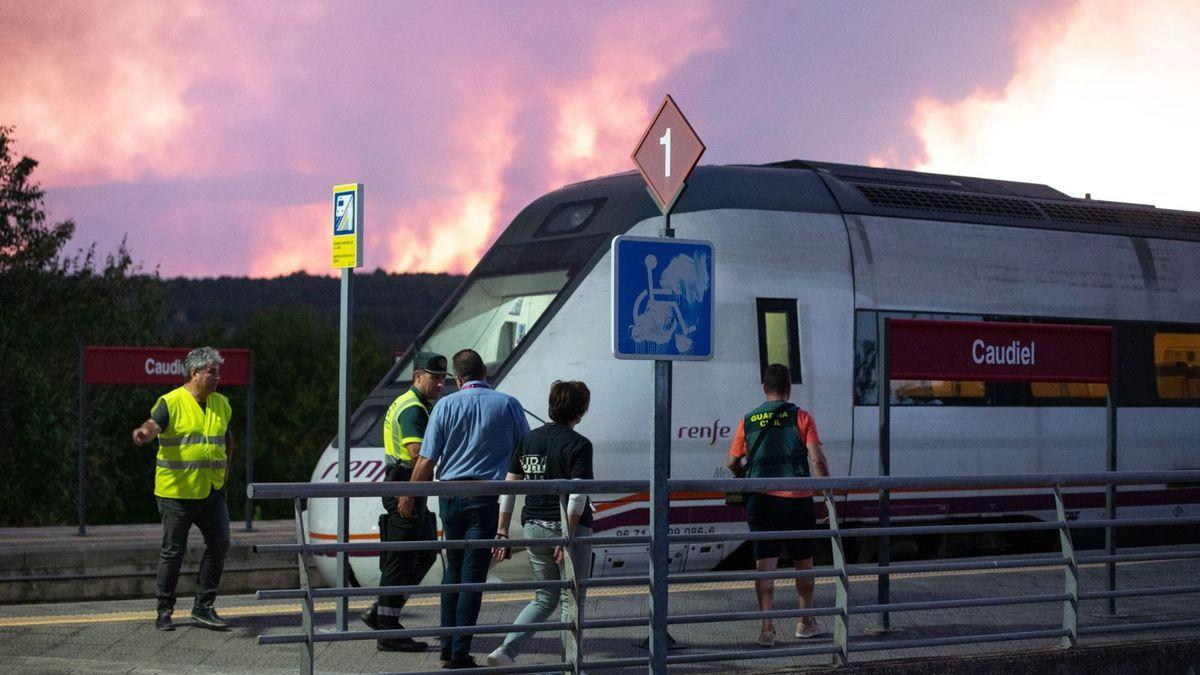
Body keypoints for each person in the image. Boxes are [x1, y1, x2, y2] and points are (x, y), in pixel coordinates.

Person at [400, 349, 530, 669]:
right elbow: (527, 451)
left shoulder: (444, 405)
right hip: (484, 499)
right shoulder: (508, 404)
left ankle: (447, 644)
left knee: (453, 570)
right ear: (484, 372)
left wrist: (409, 497)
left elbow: (426, 460)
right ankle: (459, 652)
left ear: (457, 379)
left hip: (450, 497)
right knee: (473, 574)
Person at [487, 381, 594, 668]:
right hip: (567, 530)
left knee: (544, 598)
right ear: (580, 410)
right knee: (570, 602)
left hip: (533, 525)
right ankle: (568, 667)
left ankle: (505, 652)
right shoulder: (580, 444)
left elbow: (509, 489)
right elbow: (577, 494)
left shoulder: (529, 440)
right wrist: (568, 536)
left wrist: (502, 529)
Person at [725, 363, 831, 646]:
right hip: (797, 502)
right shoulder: (801, 416)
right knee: (803, 564)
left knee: (765, 566)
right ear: (789, 388)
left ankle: (767, 630)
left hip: (761, 501)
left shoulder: (747, 420)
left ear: (764, 388)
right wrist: (827, 497)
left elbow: (732, 463)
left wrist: (743, 475)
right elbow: (817, 461)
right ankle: (805, 622)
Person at [131, 346, 233, 632]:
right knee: (173, 551)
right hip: (176, 493)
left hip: (212, 491)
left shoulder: (222, 403)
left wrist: (225, 472)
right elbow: (154, 425)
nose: (217, 377)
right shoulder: (171, 401)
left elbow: (227, 439)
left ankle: (203, 607)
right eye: (212, 372)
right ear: (195, 373)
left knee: (220, 543)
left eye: (218, 372)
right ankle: (164, 610)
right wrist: (143, 433)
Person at [361, 351, 447, 652]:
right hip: (405, 485)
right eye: (433, 378)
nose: (438, 384)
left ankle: (381, 614)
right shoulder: (413, 408)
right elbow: (416, 452)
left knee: (423, 554)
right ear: (417, 376)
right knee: (401, 560)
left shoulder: (417, 403)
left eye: (441, 379)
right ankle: (387, 630)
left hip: (410, 485)